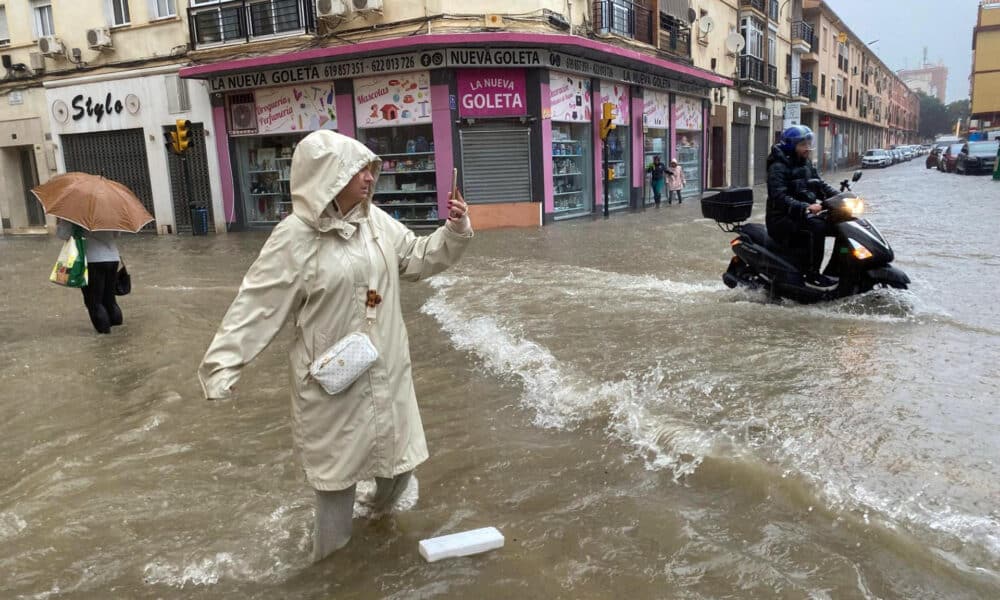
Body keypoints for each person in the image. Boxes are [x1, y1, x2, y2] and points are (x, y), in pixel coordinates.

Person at [197, 130, 473, 563]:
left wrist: (454, 231)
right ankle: (329, 574)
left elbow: (416, 257)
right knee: (335, 487)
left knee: (398, 469)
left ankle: (374, 526)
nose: (368, 178)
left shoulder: (375, 223)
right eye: (358, 170)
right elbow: (257, 303)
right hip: (333, 383)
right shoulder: (294, 238)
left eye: (369, 169)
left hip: (386, 371)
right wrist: (223, 365)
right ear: (329, 177)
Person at [765, 125, 839, 288]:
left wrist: (840, 197)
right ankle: (812, 274)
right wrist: (806, 206)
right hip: (781, 218)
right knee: (817, 227)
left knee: (839, 224)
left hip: (800, 215)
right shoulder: (777, 167)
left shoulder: (806, 164)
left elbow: (820, 185)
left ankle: (839, 269)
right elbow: (779, 197)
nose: (808, 148)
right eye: (803, 145)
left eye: (808, 143)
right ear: (791, 146)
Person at [56, 218, 122, 334]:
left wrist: (61, 222)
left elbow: (63, 235)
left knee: (94, 302)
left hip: (92, 260)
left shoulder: (74, 214)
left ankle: (105, 338)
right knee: (109, 299)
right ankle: (119, 333)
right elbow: (116, 234)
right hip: (112, 258)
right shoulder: (109, 211)